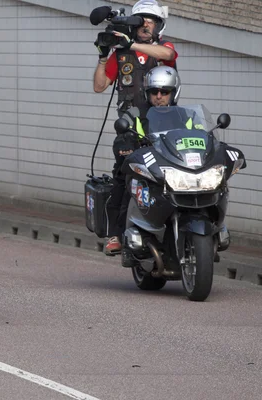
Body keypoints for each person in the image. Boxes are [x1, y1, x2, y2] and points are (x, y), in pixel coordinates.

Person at [92, 0, 178, 255]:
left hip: (165, 126)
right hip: (130, 129)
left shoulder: (164, 47)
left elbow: (168, 56)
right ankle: (115, 234)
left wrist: (131, 44)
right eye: (141, 19)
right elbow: (99, 86)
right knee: (124, 175)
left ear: (159, 25)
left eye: (151, 20)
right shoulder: (121, 55)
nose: (145, 24)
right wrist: (102, 55)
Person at [110, 65, 180, 265]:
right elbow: (122, 136)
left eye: (164, 92)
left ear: (173, 93)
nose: (159, 96)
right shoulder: (135, 113)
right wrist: (125, 147)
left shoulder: (185, 116)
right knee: (126, 184)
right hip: (145, 166)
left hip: (173, 167)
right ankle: (119, 234)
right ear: (146, 93)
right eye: (154, 92)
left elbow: (201, 134)